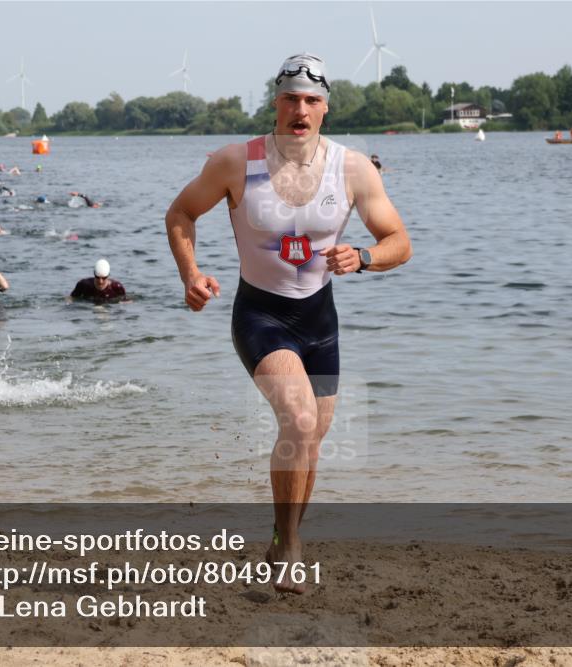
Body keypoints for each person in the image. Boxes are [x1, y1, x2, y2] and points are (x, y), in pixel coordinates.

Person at [164, 53, 411, 594]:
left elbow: (400, 241)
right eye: (290, 99)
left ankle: (283, 538)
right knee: (298, 422)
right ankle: (292, 545)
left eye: (312, 101)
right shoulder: (236, 162)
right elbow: (180, 213)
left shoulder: (352, 168)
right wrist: (190, 273)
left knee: (312, 440)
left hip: (320, 321)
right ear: (275, 102)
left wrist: (365, 258)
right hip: (261, 314)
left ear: (325, 108)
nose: (300, 110)